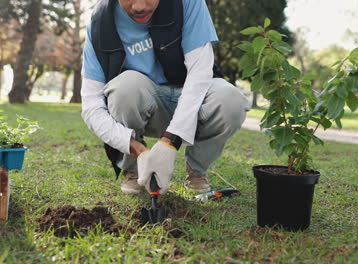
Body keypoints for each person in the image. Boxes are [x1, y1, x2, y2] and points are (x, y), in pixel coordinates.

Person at [81, 0, 250, 195]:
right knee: (124, 87)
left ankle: (197, 170)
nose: (139, 7)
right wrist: (136, 149)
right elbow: (91, 107)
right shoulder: (100, 24)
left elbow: (200, 73)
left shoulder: (188, 3)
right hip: (143, 103)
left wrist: (170, 141)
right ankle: (134, 170)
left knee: (231, 100)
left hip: (190, 98)